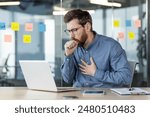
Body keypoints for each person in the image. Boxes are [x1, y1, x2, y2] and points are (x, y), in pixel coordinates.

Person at [61, 9, 132, 88]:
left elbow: (126, 77)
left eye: (74, 30)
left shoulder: (111, 46)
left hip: (104, 97)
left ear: (87, 27)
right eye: (69, 31)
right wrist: (68, 56)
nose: (71, 36)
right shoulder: (74, 47)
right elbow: (67, 79)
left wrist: (96, 73)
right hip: (78, 95)